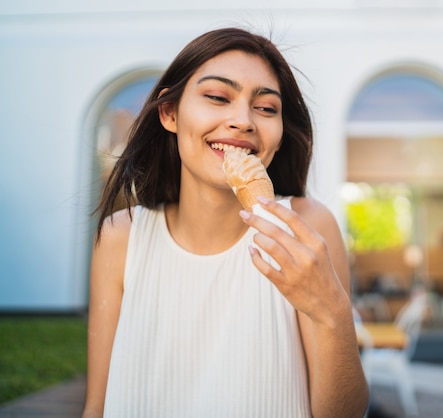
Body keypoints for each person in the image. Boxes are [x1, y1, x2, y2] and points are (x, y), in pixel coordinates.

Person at [81, 27, 369, 418]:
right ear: (169, 114)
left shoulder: (307, 226)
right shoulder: (121, 237)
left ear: (280, 137)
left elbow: (342, 414)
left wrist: (332, 313)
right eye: (218, 98)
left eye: (266, 108)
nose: (243, 120)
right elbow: (96, 407)